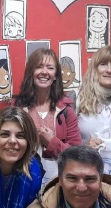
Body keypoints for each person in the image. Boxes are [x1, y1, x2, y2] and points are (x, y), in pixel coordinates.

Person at [13, 48, 81, 184]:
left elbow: (77, 154)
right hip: (22, 180)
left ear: (55, 75)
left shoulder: (66, 110)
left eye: (50, 68)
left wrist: (52, 142)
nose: (44, 72)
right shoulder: (16, 108)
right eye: (39, 67)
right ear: (31, 72)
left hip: (58, 182)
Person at [76, 45, 111, 148]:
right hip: (84, 161)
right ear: (95, 69)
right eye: (103, 64)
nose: (109, 70)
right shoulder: (77, 98)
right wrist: (85, 144)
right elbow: (65, 141)